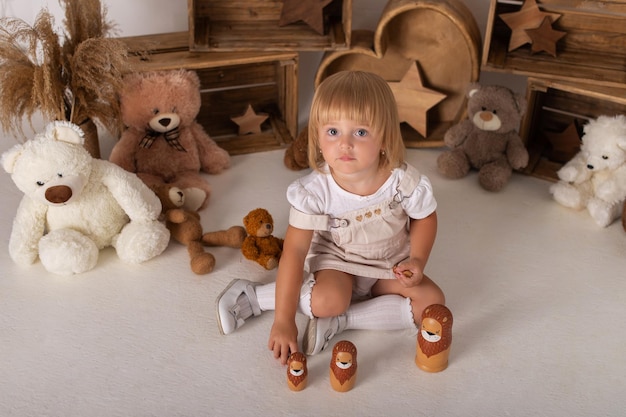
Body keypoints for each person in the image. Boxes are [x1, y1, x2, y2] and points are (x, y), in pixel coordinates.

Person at [216, 70, 445, 365]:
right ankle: (253, 297)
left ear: (385, 138)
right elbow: (295, 252)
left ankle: (342, 322)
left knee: (432, 303)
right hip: (338, 261)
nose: (344, 144)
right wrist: (285, 320)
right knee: (329, 300)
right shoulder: (316, 191)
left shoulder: (402, 181)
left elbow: (425, 218)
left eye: (360, 132)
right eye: (333, 132)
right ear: (318, 137)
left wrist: (417, 260)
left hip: (389, 263)